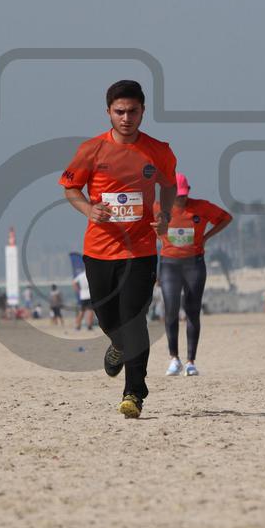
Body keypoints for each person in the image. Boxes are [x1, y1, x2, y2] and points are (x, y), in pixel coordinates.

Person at [60, 79, 177, 418]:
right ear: (109, 112)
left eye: (133, 111)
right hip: (99, 250)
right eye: (120, 112)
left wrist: (165, 216)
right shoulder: (91, 150)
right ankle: (117, 345)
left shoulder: (159, 150)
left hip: (140, 250)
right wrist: (88, 209)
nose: (126, 118)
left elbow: (169, 185)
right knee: (109, 319)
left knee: (134, 319)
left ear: (143, 111)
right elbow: (70, 188)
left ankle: (134, 394)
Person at [155, 173, 232, 376]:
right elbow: (142, 225)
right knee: (171, 309)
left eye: (183, 195)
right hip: (169, 264)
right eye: (177, 195)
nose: (181, 199)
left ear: (188, 191)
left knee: (192, 310)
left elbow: (226, 218)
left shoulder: (201, 206)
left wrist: (206, 237)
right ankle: (174, 358)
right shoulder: (158, 208)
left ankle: (190, 362)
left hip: (194, 264)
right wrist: (157, 234)